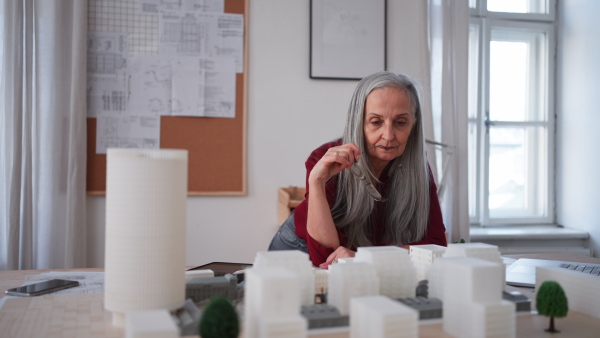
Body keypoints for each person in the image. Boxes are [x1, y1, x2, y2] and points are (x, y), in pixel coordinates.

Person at [268, 71, 447, 268]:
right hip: (297, 251)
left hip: (358, 260)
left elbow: (435, 245)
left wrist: (366, 257)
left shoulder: (419, 169)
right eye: (376, 122)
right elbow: (326, 260)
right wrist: (316, 182)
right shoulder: (326, 160)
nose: (388, 135)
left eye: (400, 122)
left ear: (414, 124)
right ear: (358, 122)